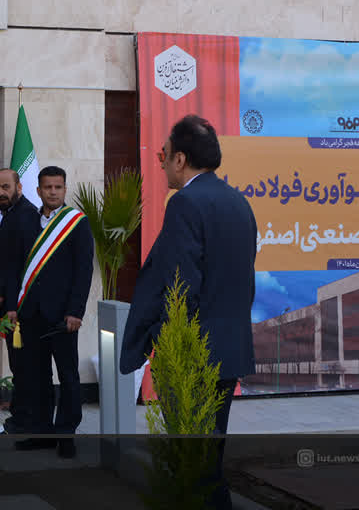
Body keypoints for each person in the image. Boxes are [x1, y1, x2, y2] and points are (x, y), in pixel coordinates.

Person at [119, 115, 256, 510]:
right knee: (208, 458)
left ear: (179, 159)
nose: (161, 163)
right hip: (227, 351)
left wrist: (172, 347)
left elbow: (181, 286)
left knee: (191, 464)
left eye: (163, 155)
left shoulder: (185, 203)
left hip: (193, 355)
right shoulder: (239, 202)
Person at [12, 166, 94, 458]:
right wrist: (14, 306)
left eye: (58, 187)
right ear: (38, 190)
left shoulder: (76, 223)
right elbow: (18, 266)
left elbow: (83, 271)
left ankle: (66, 434)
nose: (53, 192)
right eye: (47, 187)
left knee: (68, 376)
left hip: (62, 317)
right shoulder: (27, 222)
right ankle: (42, 433)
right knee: (37, 377)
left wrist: (76, 312)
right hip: (31, 314)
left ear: (65, 189)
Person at [0, 168, 40, 434]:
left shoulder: (26, 216)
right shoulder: (11, 214)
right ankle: (19, 411)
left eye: (5, 187)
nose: (0, 193)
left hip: (19, 309)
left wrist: (6, 301)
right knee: (19, 365)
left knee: (24, 365)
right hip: (12, 306)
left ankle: (24, 421)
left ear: (19, 187)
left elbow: (20, 268)